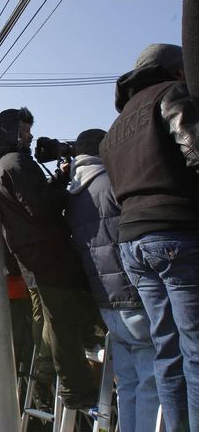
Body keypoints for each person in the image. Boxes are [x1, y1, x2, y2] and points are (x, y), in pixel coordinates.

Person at [100, 43, 199, 432]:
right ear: (176, 71)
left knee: (168, 350)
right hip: (177, 232)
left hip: (133, 243)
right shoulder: (172, 96)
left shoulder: (116, 128)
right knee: (194, 348)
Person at [0, 107, 98, 409]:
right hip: (47, 253)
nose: (30, 136)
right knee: (64, 320)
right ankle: (76, 389)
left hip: (37, 254)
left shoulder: (4, 163)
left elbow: (35, 203)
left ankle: (59, 383)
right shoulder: (15, 161)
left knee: (58, 320)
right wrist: (67, 184)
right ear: (12, 131)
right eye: (25, 130)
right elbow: (42, 207)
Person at [67, 129, 159, 431]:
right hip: (133, 294)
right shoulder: (111, 183)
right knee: (154, 381)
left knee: (129, 382)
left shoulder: (74, 194)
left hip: (106, 299)